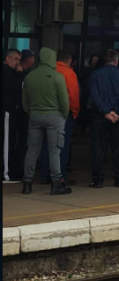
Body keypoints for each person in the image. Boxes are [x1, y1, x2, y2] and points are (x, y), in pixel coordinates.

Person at [21, 47, 71, 195]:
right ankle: (56, 183)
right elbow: (64, 101)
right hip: (55, 117)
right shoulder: (57, 76)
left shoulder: (30, 76)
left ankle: (27, 183)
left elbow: (25, 102)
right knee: (54, 150)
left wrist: (33, 112)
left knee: (32, 150)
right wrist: (63, 116)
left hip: (35, 116)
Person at [88, 49, 119, 188]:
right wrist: (115, 112)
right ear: (116, 61)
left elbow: (94, 96)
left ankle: (98, 180)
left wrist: (106, 112)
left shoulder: (95, 75)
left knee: (99, 148)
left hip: (99, 118)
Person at [40, 51, 81, 186]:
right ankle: (60, 176)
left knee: (47, 144)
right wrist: (75, 111)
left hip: (45, 112)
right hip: (63, 114)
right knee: (61, 145)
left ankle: (45, 174)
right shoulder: (69, 73)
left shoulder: (44, 72)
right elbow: (73, 95)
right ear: (69, 61)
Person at [3, 48, 25, 183]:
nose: (18, 63)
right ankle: (6, 173)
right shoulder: (7, 72)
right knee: (7, 141)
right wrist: (20, 74)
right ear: (8, 58)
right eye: (16, 59)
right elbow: (14, 87)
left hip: (9, 109)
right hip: (7, 110)